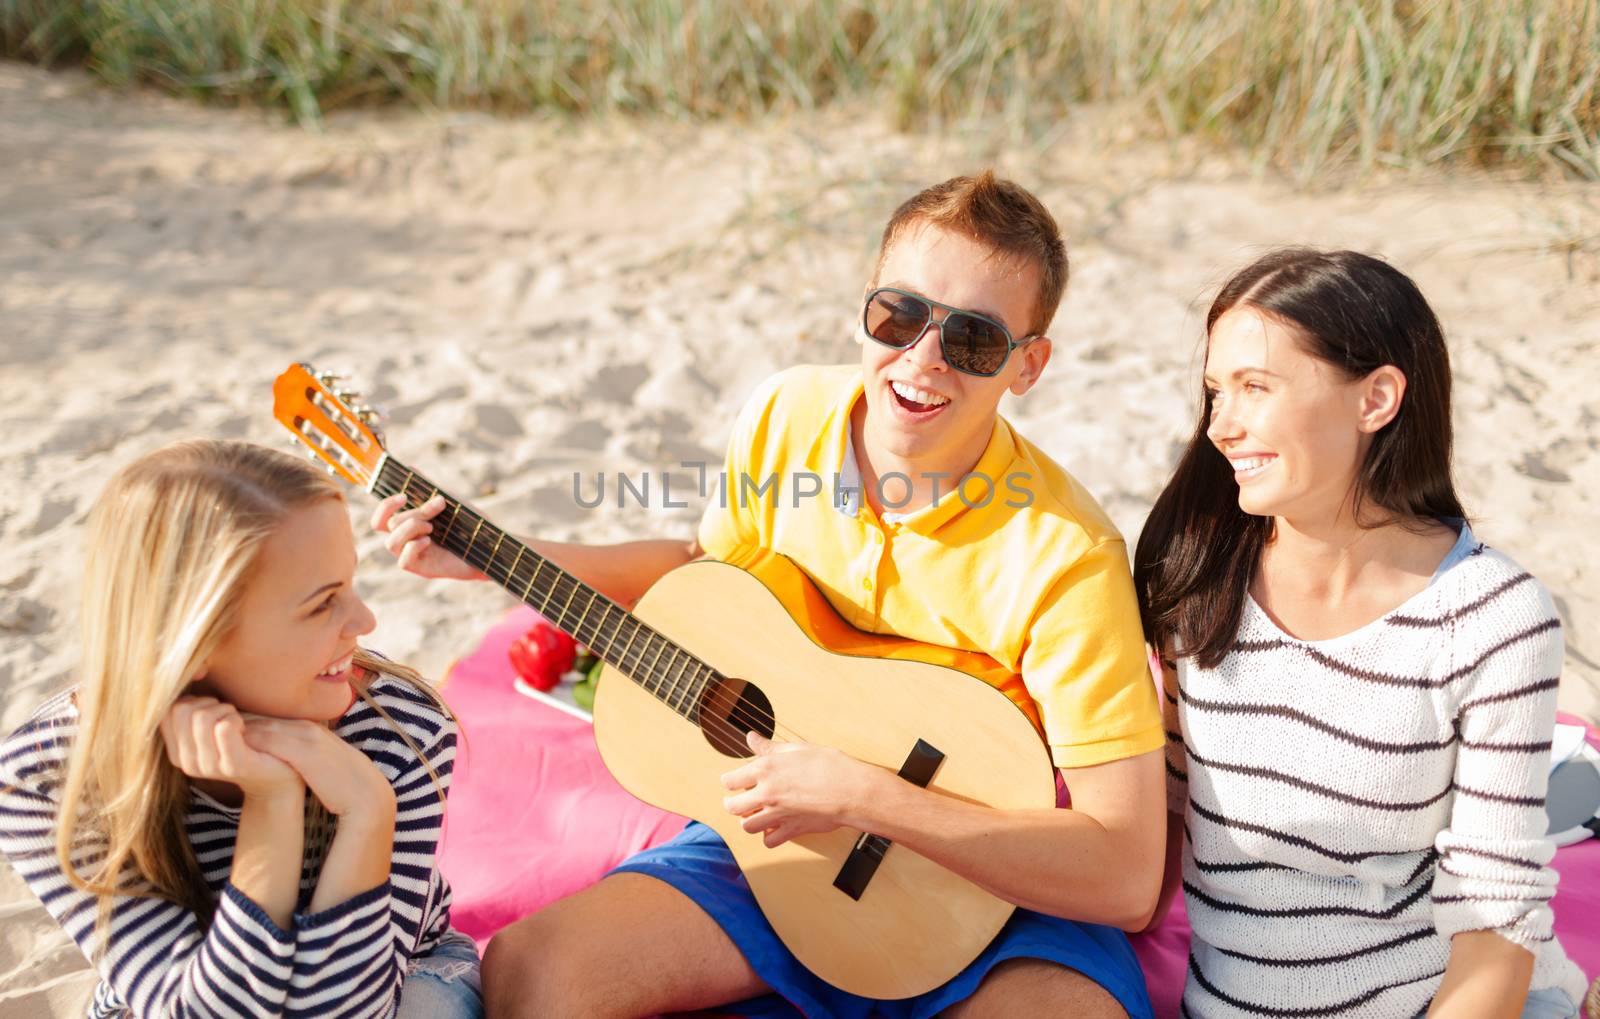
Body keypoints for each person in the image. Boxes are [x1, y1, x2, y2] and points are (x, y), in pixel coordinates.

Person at [375, 172, 1167, 1018]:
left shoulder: (1066, 553)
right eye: (898, 316)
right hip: (784, 856)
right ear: (865, 306)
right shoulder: (787, 416)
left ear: (1028, 364)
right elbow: (705, 579)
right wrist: (497, 556)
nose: (922, 359)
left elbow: (1123, 874)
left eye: (973, 340)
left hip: (997, 895)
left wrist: (866, 797)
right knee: (537, 973)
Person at [1134, 249, 1588, 1018]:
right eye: (1216, 390)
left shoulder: (1494, 618)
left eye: (1256, 388)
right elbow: (1160, 832)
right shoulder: (1195, 582)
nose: (1222, 426)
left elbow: (1494, 925)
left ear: (1376, 397)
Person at [0, 440, 482, 1018]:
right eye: (321, 603)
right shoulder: (50, 775)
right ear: (191, 639)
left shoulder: (402, 728)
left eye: (350, 585)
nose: (364, 621)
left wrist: (367, 811)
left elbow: (354, 1012)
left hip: (399, 982)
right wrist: (272, 799)